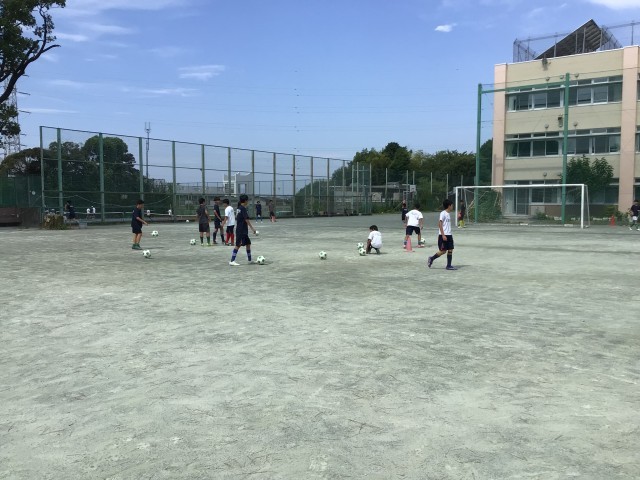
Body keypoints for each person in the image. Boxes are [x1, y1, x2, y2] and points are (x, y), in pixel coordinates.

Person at [229, 194, 258, 266]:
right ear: (245, 201)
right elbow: (246, 219)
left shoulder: (239, 208)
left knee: (248, 244)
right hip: (241, 230)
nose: (248, 202)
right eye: (247, 200)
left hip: (243, 230)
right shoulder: (243, 208)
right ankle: (232, 261)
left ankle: (249, 260)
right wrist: (253, 229)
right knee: (238, 245)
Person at [427, 199, 456, 270]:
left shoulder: (448, 214)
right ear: (449, 206)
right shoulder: (443, 213)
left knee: (450, 249)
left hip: (449, 235)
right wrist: (443, 235)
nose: (452, 206)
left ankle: (448, 265)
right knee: (443, 251)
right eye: (452, 205)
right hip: (443, 235)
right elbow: (440, 224)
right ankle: (431, 258)